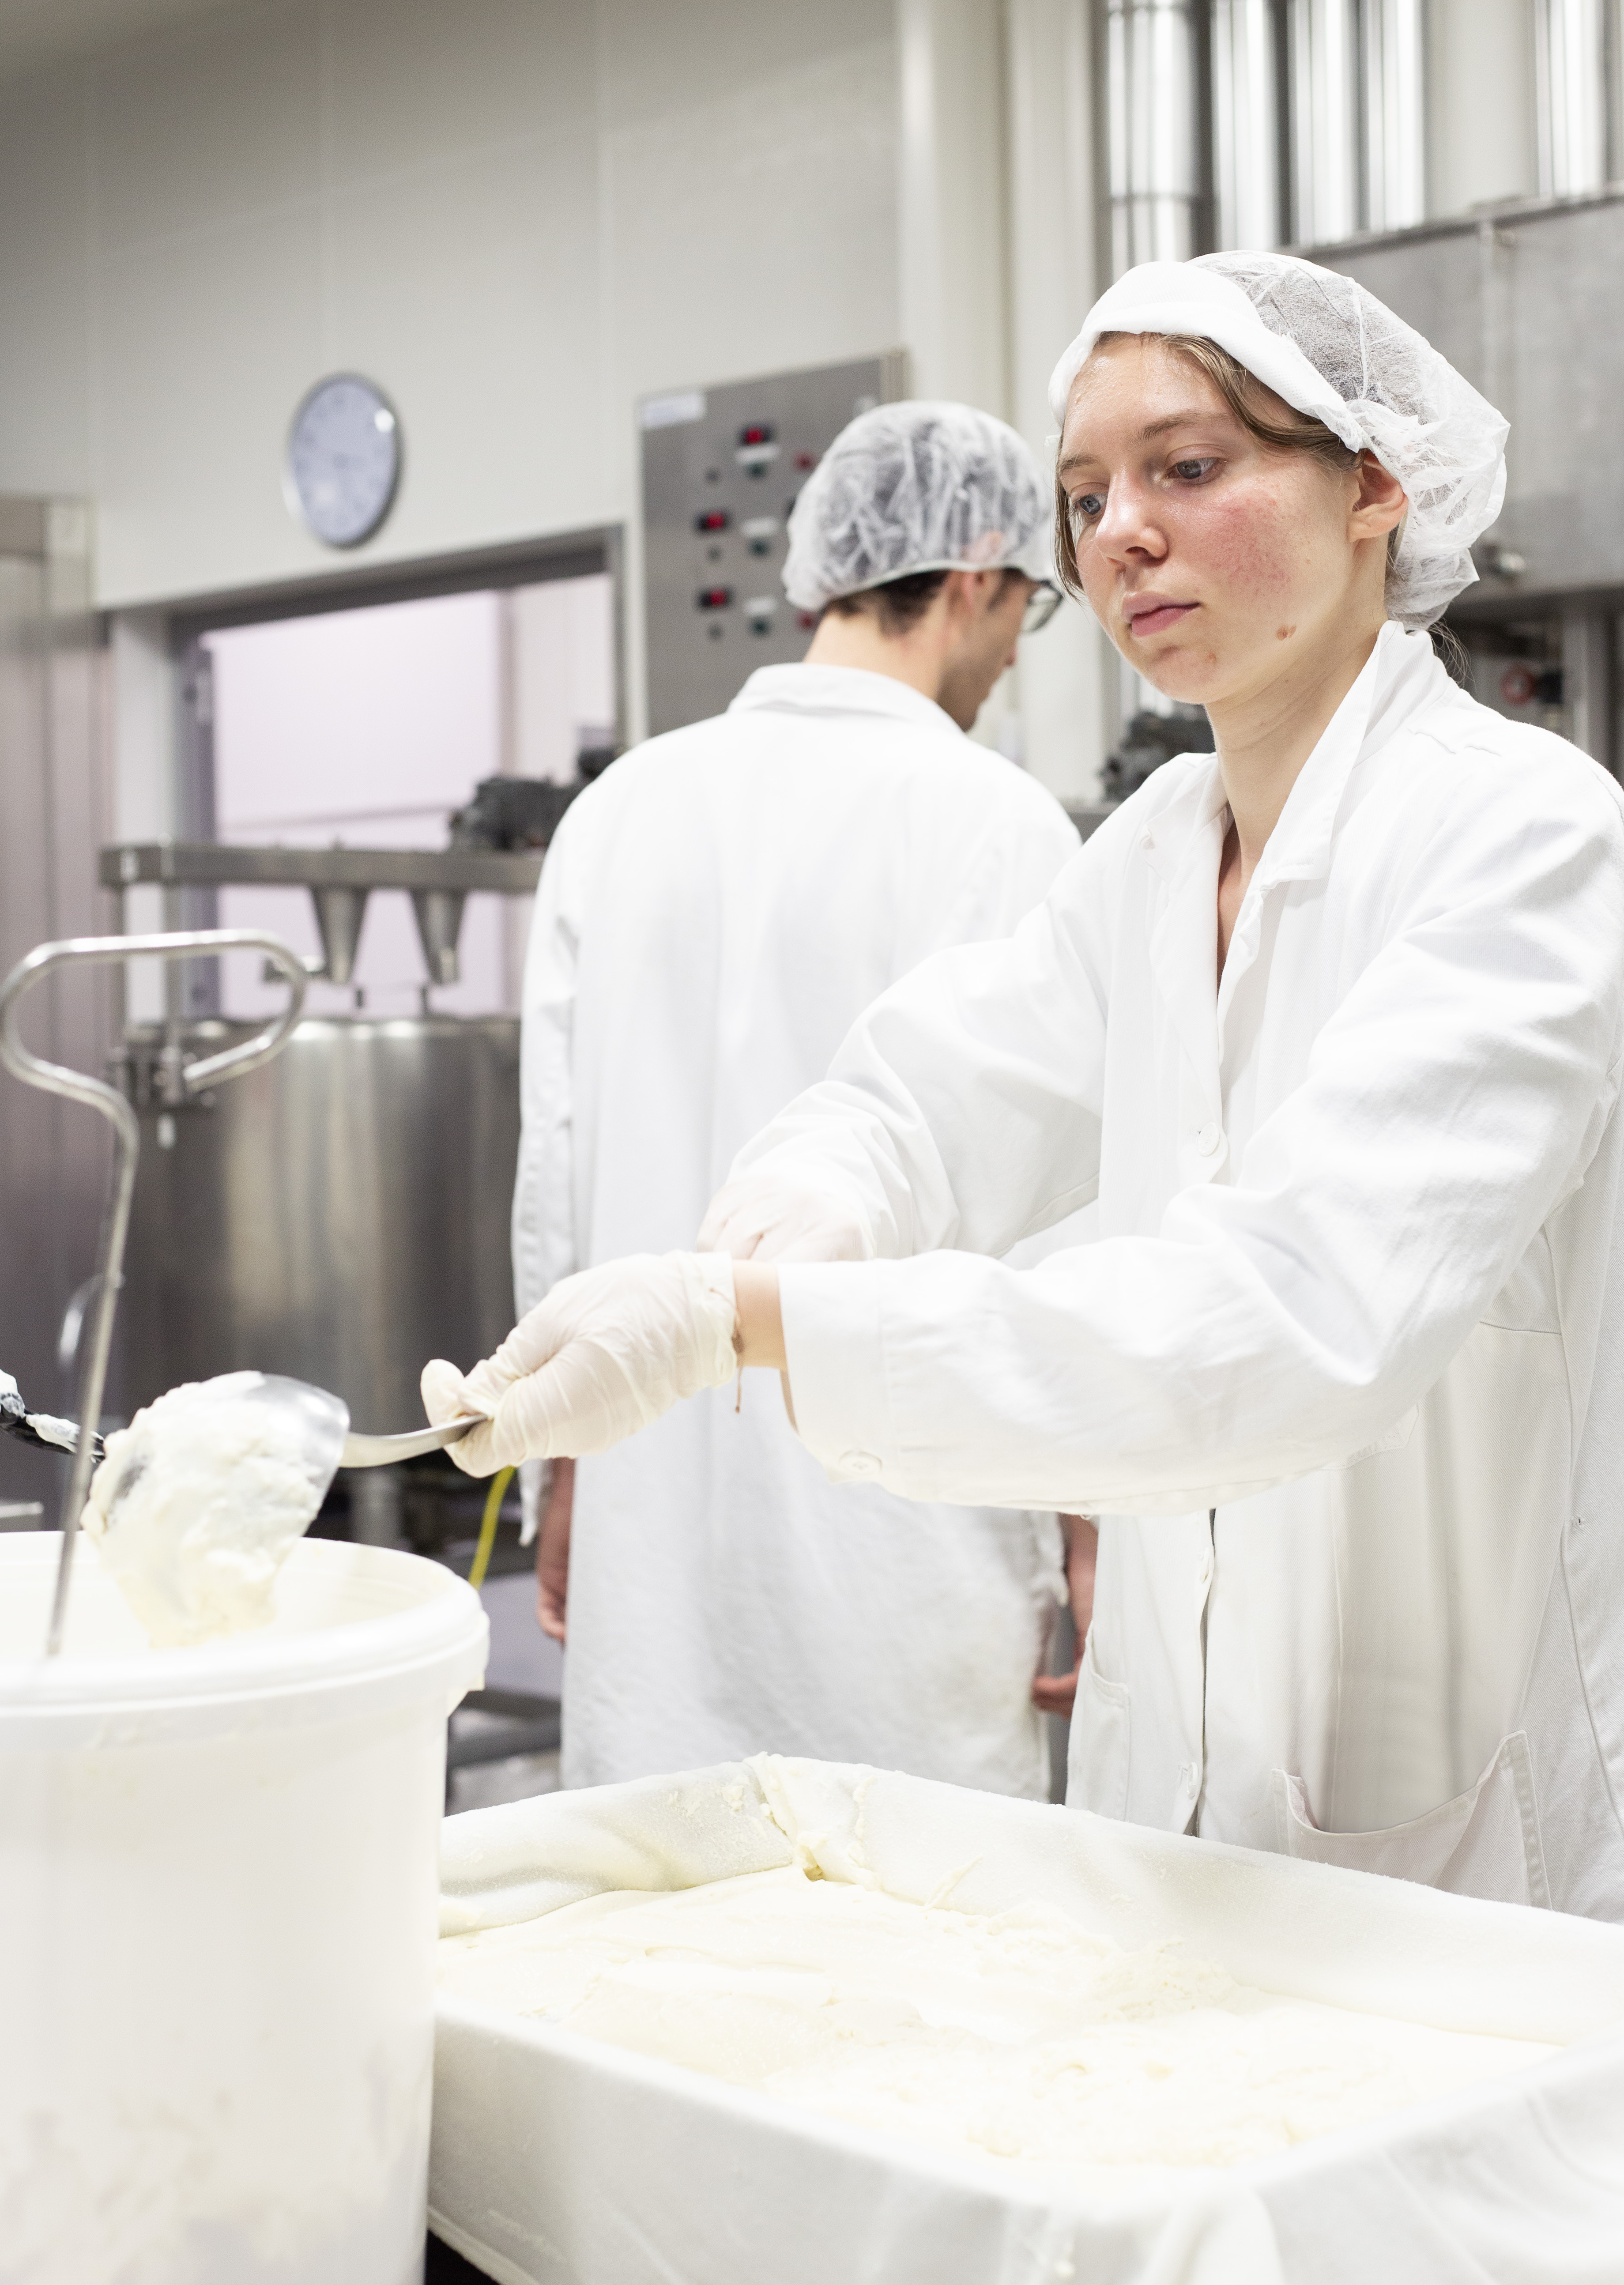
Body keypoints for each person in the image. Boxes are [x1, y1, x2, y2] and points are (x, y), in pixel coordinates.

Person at [426, 252, 1624, 1920]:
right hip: (1165, 1819)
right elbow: (917, 1103)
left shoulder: (1524, 836)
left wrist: (755, 1326)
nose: (1118, 530)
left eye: (1187, 468)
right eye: (1082, 495)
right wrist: (767, 1242)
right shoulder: (1149, 852)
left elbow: (1288, 1323)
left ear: (1373, 488)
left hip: (1460, 1844)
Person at [496, 400, 1086, 1794]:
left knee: (653, 1948)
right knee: (906, 1951)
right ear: (974, 578)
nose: (1011, 656)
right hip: (909, 1548)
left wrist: (560, 1465)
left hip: (656, 1520)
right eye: (1023, 615)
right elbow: (1059, 1208)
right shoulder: (997, 824)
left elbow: (555, 1181)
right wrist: (1089, 1524)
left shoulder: (622, 810)